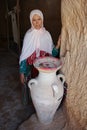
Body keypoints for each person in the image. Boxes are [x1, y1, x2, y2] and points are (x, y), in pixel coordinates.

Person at [19, 9, 61, 104]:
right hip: (30, 70)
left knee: (43, 92)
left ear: (42, 20)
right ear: (31, 21)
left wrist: (58, 45)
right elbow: (24, 56)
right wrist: (22, 72)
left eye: (39, 19)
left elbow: (52, 54)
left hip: (43, 72)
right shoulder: (28, 35)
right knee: (32, 90)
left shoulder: (47, 35)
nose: (37, 22)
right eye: (34, 20)